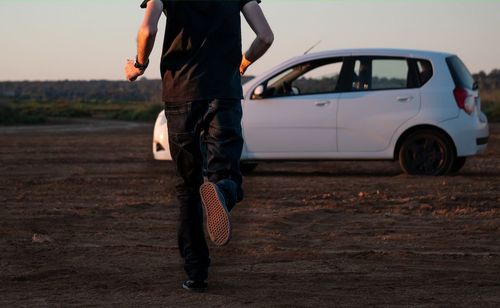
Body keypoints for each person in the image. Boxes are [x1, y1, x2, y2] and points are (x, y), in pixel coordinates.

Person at [125, 0, 273, 292]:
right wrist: (243, 63)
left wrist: (139, 64)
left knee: (187, 188)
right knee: (227, 174)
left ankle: (196, 274)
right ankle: (221, 190)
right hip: (224, 93)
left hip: (180, 94)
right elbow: (266, 36)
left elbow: (147, 29)